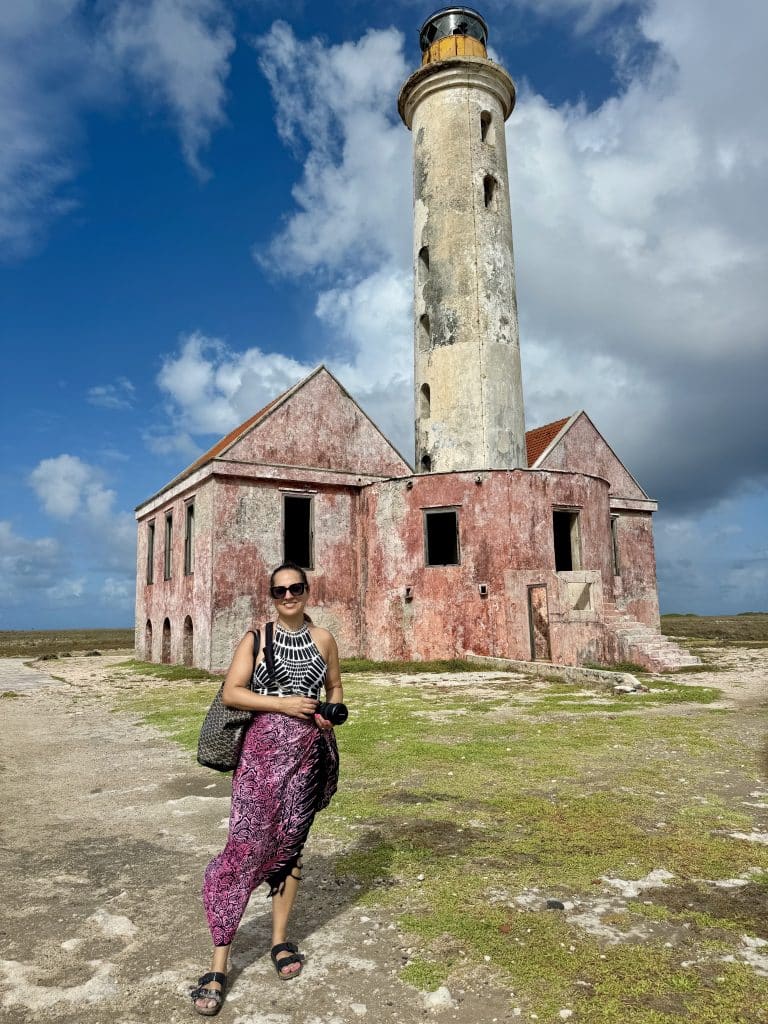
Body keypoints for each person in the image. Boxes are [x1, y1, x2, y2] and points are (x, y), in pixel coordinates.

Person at [191, 562, 342, 1015]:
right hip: (259, 758)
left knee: (291, 847)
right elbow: (233, 693)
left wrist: (330, 711)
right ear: (271, 597)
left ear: (308, 591)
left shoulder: (324, 640)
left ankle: (279, 941)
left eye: (296, 588)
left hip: (307, 755)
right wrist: (282, 704)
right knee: (243, 849)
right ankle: (219, 963)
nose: (289, 595)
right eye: (280, 591)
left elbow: (335, 687)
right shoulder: (257, 639)